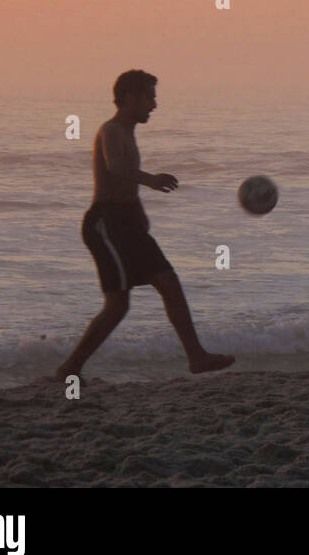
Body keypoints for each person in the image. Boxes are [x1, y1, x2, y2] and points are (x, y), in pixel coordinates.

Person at [55, 70, 234, 379]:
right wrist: (151, 180)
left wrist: (138, 211)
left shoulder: (129, 131)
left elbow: (124, 181)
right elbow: (117, 168)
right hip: (105, 225)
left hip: (127, 222)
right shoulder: (111, 130)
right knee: (118, 305)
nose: (154, 105)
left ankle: (196, 357)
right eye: (149, 97)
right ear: (130, 98)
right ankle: (69, 369)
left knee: (169, 283)